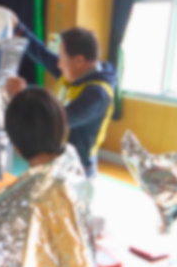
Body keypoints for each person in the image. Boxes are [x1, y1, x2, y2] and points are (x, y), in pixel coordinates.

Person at [6, 14, 116, 179]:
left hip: (79, 169)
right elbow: (42, 54)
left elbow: (57, 119)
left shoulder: (97, 94)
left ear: (79, 61)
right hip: (61, 159)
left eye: (62, 58)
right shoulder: (77, 72)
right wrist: (18, 27)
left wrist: (23, 94)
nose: (58, 64)